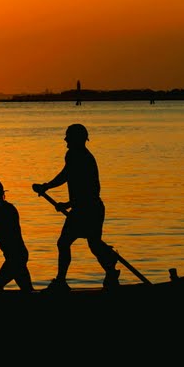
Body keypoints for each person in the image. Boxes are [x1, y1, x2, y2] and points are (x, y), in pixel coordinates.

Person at [32, 123, 120, 291]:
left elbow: (88, 189)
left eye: (68, 137)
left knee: (65, 243)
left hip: (89, 209)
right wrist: (50, 189)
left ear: (77, 139)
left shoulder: (82, 157)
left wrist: (62, 198)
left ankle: (61, 282)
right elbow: (68, 175)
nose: (65, 139)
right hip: (86, 208)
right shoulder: (73, 155)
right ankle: (110, 268)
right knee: (92, 244)